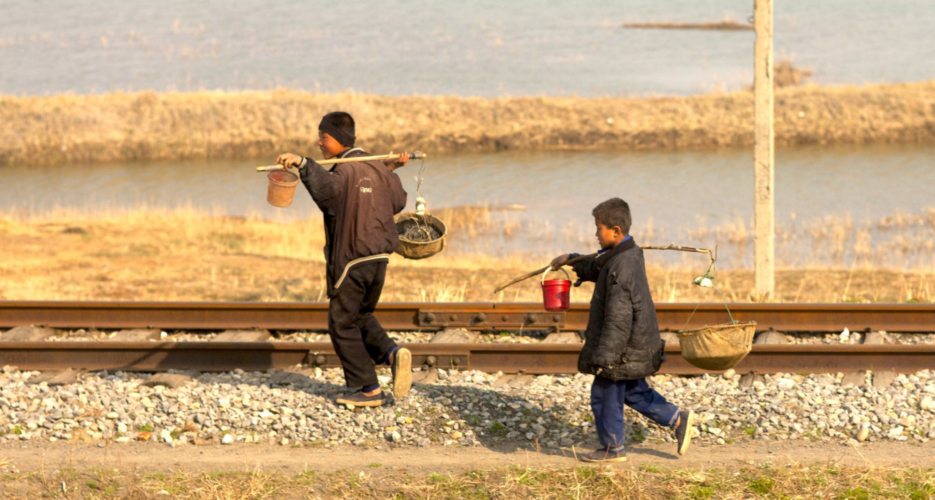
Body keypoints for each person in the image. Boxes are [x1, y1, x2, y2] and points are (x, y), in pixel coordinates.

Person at [276, 111, 412, 407]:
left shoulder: (345, 170)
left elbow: (330, 196)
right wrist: (388, 169)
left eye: (323, 138)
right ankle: (392, 354)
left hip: (352, 258)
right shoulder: (377, 166)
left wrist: (303, 164)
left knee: (340, 323)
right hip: (380, 259)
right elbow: (398, 200)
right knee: (359, 316)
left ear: (337, 139)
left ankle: (368, 388)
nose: (320, 144)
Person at [549, 197, 694, 462]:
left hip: (622, 348)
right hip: (635, 344)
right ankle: (676, 419)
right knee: (633, 391)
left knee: (604, 394)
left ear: (615, 231)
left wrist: (605, 358)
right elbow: (596, 266)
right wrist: (571, 259)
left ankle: (612, 449)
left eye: (598, 228)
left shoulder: (621, 266)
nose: (595, 233)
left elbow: (618, 317)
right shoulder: (624, 253)